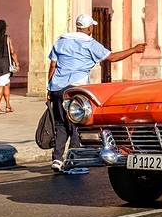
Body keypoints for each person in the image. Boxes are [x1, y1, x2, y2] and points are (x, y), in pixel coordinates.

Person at [47, 13, 146, 172]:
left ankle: (57, 160)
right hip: (75, 89)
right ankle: (75, 162)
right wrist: (134, 50)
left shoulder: (61, 41)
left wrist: (49, 88)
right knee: (77, 126)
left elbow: (53, 65)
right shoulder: (90, 44)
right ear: (89, 28)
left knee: (60, 124)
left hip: (57, 87)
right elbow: (112, 57)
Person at [0, 19, 19, 114]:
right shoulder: (7, 38)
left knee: (6, 85)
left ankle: (8, 106)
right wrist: (17, 63)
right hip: (5, 65)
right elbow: (12, 51)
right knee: (0, 86)